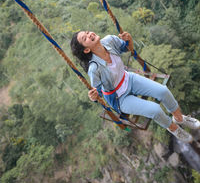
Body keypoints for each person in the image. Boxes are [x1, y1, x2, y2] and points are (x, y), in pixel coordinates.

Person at [70, 31, 200, 143]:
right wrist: (93, 97)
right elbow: (97, 92)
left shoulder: (109, 40)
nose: (89, 34)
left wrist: (129, 39)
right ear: (86, 50)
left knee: (163, 91)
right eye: (85, 38)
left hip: (128, 79)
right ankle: (174, 129)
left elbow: (129, 49)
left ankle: (179, 118)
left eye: (87, 32)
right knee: (155, 110)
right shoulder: (94, 69)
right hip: (119, 98)